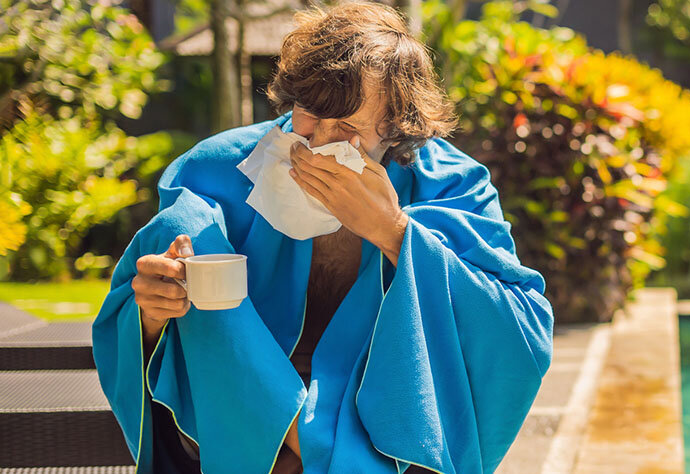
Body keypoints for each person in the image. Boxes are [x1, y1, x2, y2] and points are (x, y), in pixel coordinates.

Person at [92, 3, 553, 473]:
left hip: (386, 434)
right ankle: (311, 448)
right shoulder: (214, 171)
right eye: (310, 113)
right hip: (247, 430)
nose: (316, 142)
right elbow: (137, 332)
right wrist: (151, 315)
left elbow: (521, 327)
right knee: (179, 231)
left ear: (394, 128)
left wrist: (395, 233)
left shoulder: (453, 185)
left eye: (347, 128)